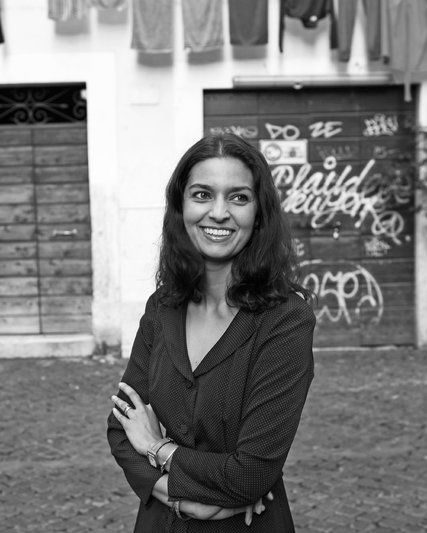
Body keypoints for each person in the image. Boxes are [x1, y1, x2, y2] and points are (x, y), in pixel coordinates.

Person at [107, 133, 316, 532]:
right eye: (202, 194)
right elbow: (120, 427)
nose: (219, 212)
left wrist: (157, 448)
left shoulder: (286, 320)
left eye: (238, 198)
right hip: (160, 522)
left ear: (259, 214)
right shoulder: (162, 307)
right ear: (181, 206)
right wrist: (185, 501)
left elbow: (251, 474)